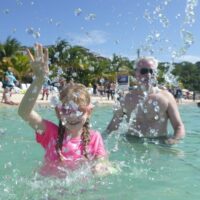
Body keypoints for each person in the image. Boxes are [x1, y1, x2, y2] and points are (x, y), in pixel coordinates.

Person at [18, 44, 114, 177]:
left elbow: (104, 163)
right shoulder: (51, 133)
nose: (72, 115)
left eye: (79, 109)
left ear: (89, 112)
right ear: (58, 112)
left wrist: (100, 168)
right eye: (66, 109)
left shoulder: (94, 137)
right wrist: (39, 79)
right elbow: (24, 112)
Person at [107, 57, 185, 145]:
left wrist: (174, 140)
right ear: (135, 73)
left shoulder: (166, 97)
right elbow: (112, 128)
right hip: (132, 143)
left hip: (158, 144)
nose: (148, 75)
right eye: (144, 71)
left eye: (151, 71)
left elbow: (179, 126)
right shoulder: (126, 99)